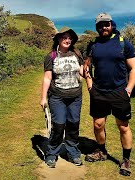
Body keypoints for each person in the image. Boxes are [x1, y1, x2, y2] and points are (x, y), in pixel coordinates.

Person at [83, 13, 135, 176]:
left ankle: (126, 160)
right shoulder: (93, 45)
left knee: (123, 126)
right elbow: (86, 66)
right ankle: (101, 152)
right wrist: (89, 86)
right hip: (99, 92)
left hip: (119, 92)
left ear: (112, 24)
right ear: (97, 27)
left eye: (106, 24)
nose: (103, 28)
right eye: (100, 25)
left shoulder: (123, 43)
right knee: (98, 125)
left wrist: (129, 89)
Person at [40, 27, 84, 168]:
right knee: (58, 125)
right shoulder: (51, 56)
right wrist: (43, 98)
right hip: (57, 97)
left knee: (73, 124)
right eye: (64, 37)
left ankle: (73, 153)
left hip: (75, 96)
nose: (67, 40)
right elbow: (47, 78)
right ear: (58, 39)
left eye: (69, 38)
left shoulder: (76, 54)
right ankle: (52, 153)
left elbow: (83, 72)